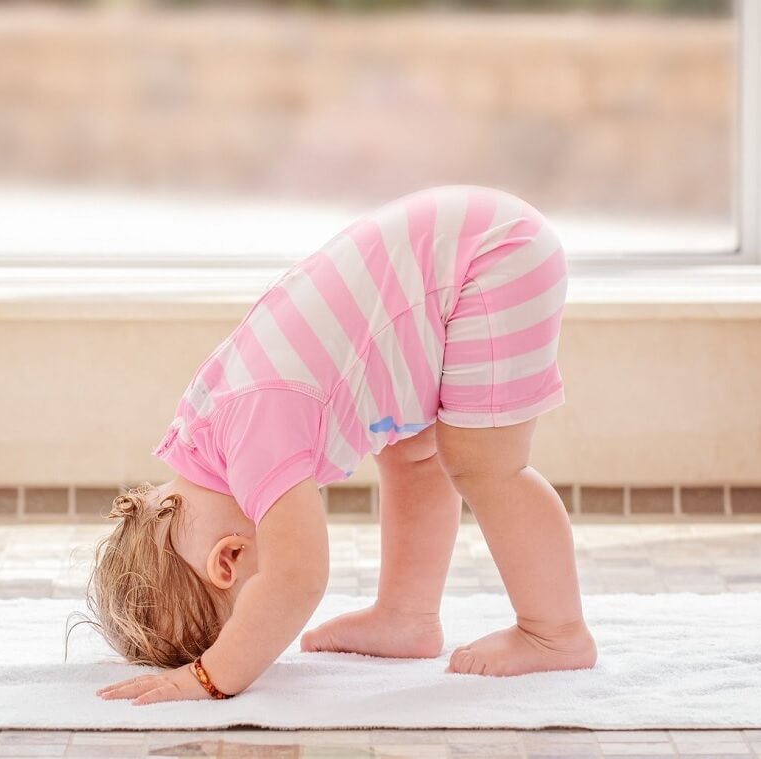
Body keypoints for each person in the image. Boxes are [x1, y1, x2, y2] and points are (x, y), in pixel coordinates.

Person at [80, 184, 597, 705]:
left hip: (491, 259)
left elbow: (297, 578)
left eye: (250, 614)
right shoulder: (206, 427)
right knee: (414, 454)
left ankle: (554, 631)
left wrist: (210, 675)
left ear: (228, 561)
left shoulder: (253, 437)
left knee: (485, 465)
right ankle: (406, 616)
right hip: (465, 250)